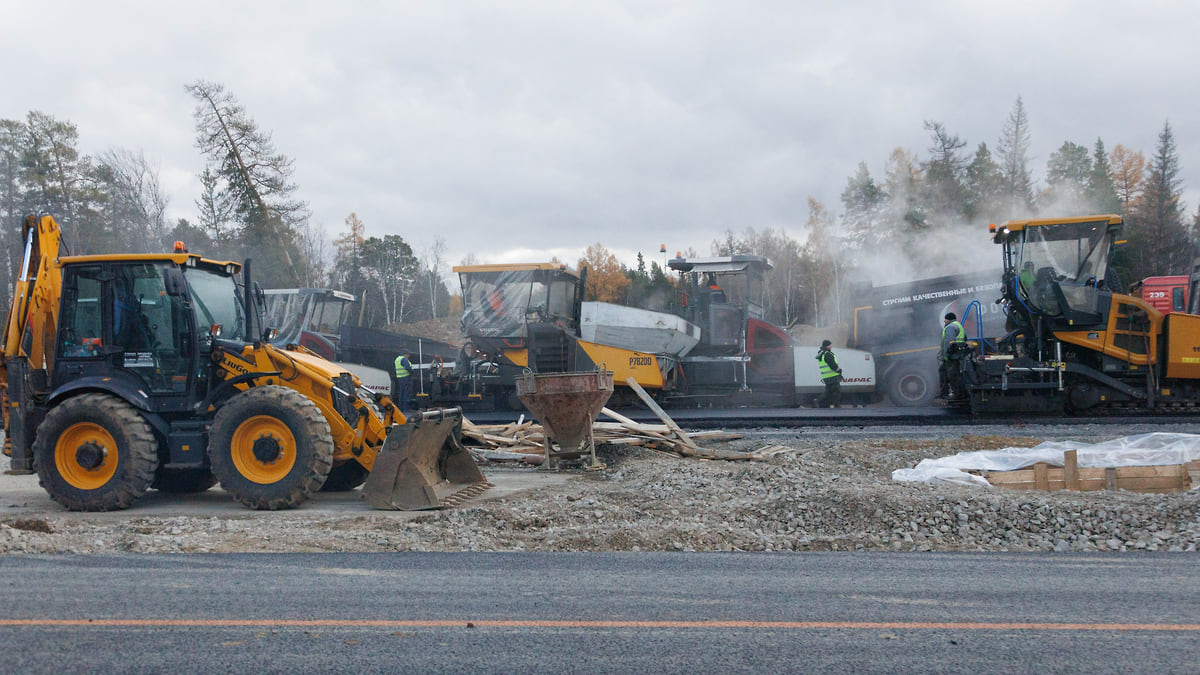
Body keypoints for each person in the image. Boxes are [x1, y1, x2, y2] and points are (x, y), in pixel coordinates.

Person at [938, 312, 966, 400]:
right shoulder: (958, 325)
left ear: (949, 319)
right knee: (944, 372)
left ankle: (957, 395)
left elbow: (949, 342)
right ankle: (944, 392)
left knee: (952, 375)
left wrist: (946, 355)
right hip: (957, 354)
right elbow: (965, 339)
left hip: (951, 356)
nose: (944, 321)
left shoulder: (950, 327)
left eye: (945, 319)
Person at [815, 339, 843, 408]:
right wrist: (839, 370)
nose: (831, 346)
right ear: (827, 346)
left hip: (826, 376)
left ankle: (818, 401)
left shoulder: (822, 354)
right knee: (837, 390)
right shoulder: (827, 354)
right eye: (830, 345)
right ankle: (836, 405)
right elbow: (832, 364)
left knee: (829, 391)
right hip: (832, 376)